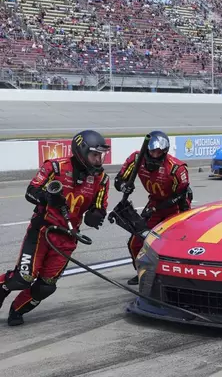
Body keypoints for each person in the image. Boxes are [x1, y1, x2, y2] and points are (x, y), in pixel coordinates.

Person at [0, 130, 111, 326]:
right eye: (95, 155)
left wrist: (97, 215)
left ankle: (17, 310)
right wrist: (47, 197)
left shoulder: (101, 179)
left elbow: (100, 207)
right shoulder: (55, 167)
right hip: (42, 230)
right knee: (23, 277)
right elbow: (31, 192)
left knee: (46, 286)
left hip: (68, 237)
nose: (98, 160)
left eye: (100, 156)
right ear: (82, 152)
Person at [114, 131, 192, 286]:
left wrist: (156, 210)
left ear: (165, 152)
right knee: (135, 242)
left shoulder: (176, 168)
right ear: (147, 150)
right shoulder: (136, 159)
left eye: (159, 152)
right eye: (152, 151)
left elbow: (181, 196)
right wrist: (124, 186)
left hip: (177, 206)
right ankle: (142, 273)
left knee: (177, 245)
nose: (155, 155)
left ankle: (181, 277)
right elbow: (118, 180)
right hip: (154, 203)